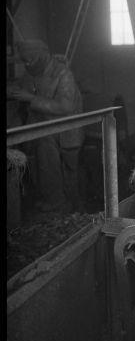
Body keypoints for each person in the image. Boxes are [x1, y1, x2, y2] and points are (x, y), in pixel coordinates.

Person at [7, 39, 84, 213]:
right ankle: (47, 196)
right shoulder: (32, 72)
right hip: (43, 128)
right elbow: (20, 87)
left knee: (44, 146)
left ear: (41, 56)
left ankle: (57, 201)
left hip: (66, 131)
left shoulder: (63, 74)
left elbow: (65, 107)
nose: (27, 64)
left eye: (30, 59)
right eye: (24, 60)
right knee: (33, 148)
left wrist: (31, 99)